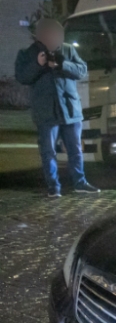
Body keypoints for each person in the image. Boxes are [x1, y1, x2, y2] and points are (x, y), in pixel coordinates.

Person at [14, 18, 99, 197]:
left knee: (75, 149)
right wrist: (38, 64)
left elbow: (82, 70)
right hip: (45, 112)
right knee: (48, 152)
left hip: (70, 110)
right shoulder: (27, 53)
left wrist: (62, 64)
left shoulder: (68, 50)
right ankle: (54, 188)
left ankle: (80, 183)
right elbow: (22, 77)